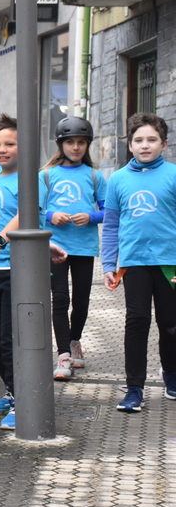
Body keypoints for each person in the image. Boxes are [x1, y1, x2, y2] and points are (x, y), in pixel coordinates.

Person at [0, 115, 47, 431]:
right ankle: (11, 388)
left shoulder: (30, 179)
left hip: (18, 270)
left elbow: (26, 215)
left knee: (10, 340)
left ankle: (23, 400)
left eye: (10, 144)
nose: (2, 149)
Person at [102, 112, 176, 411]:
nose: (145, 145)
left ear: (164, 144)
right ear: (130, 145)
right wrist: (108, 265)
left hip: (170, 263)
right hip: (133, 263)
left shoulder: (173, 175)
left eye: (152, 140)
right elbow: (110, 226)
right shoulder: (118, 179)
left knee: (170, 324)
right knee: (137, 322)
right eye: (138, 140)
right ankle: (134, 388)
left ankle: (171, 374)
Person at [41, 117, 106, 381]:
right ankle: (63, 354)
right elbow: (31, 209)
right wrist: (51, 215)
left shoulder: (95, 175)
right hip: (54, 247)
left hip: (84, 247)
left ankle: (75, 339)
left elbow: (109, 212)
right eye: (70, 142)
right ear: (61, 144)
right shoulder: (46, 175)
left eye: (81, 142)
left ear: (88, 145)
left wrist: (91, 217)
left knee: (81, 301)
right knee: (60, 299)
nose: (76, 147)